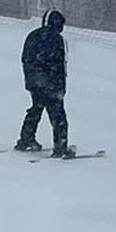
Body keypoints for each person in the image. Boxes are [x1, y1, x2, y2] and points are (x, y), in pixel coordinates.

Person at [15, 8, 73, 157]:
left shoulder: (32, 35)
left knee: (36, 108)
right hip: (50, 83)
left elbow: (25, 59)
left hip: (34, 81)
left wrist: (31, 80)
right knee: (58, 114)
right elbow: (59, 65)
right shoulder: (57, 39)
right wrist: (60, 88)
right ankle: (60, 147)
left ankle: (26, 139)